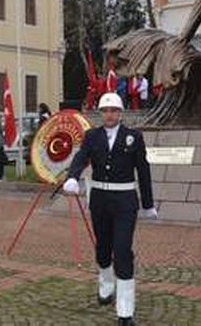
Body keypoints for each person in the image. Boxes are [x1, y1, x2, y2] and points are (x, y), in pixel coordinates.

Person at [63, 93, 156, 326]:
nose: (109, 114)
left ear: (120, 113)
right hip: (100, 199)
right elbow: (81, 157)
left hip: (125, 199)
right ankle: (106, 283)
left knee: (123, 250)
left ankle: (125, 311)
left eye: (113, 110)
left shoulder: (134, 137)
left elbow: (143, 171)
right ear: (100, 113)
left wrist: (148, 203)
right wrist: (73, 177)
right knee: (103, 249)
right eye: (105, 110)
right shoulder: (92, 136)